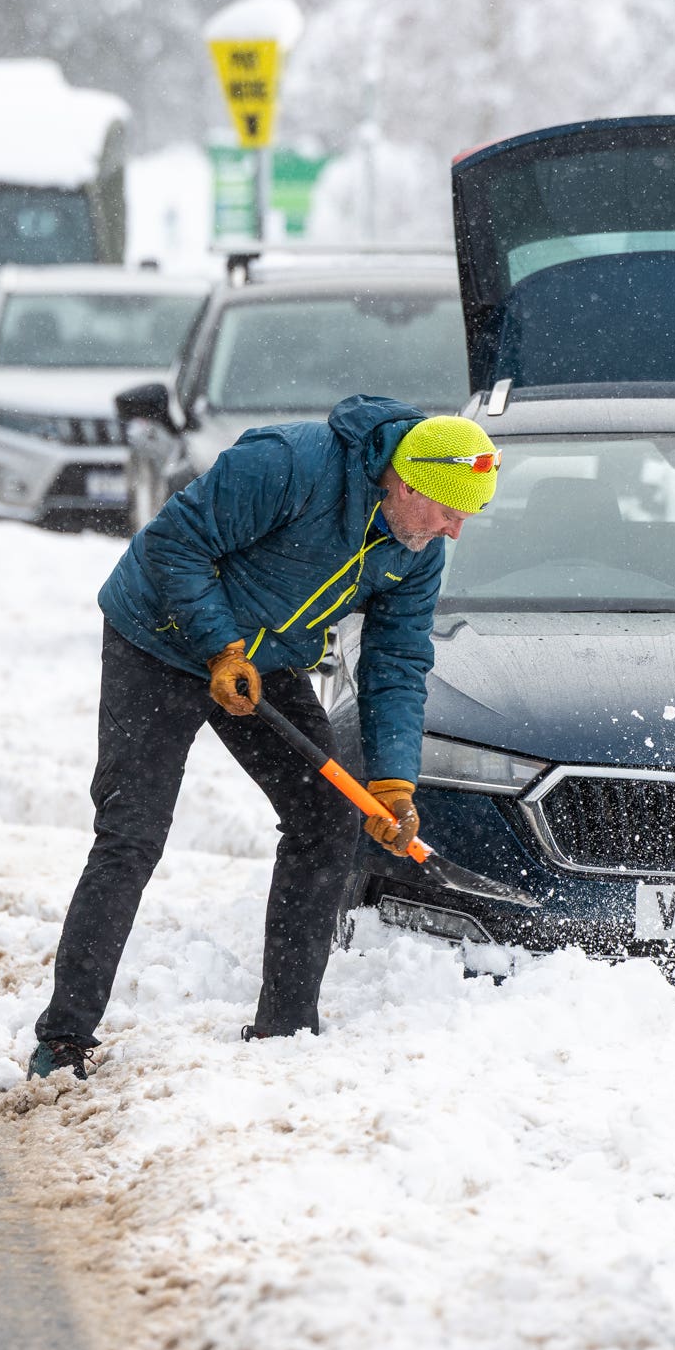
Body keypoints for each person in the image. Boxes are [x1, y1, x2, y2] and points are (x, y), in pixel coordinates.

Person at [27, 397, 501, 1079]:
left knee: (327, 816)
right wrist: (219, 645)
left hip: (263, 660)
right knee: (133, 830)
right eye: (448, 510)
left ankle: (286, 1028)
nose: (454, 531)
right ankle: (64, 1037)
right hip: (157, 638)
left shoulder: (414, 551)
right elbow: (173, 545)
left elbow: (396, 660)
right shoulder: (291, 465)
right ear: (404, 481)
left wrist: (394, 780)